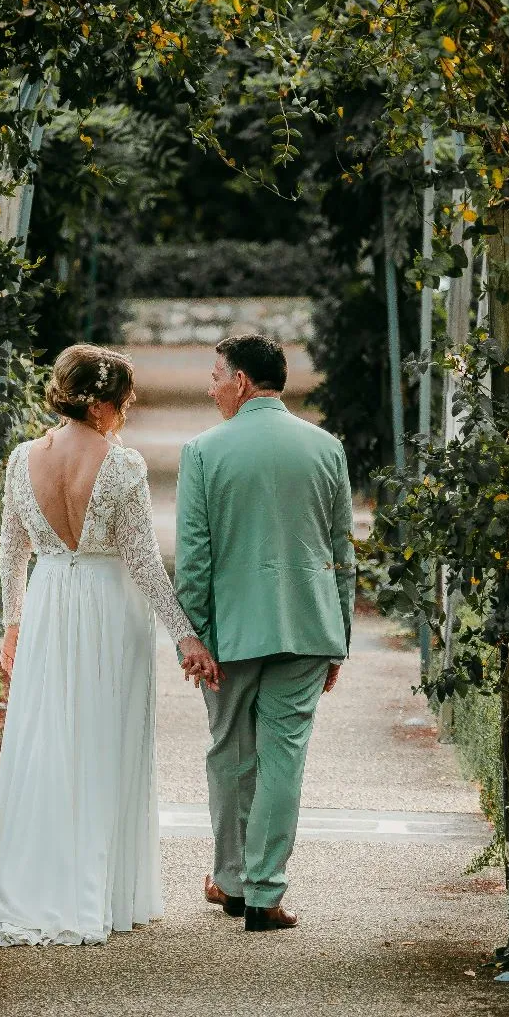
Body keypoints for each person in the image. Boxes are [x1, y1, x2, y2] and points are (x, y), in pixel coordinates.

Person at [0, 344, 219, 947]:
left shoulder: (23, 458)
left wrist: (12, 624)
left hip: (50, 598)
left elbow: (11, 552)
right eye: (124, 403)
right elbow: (142, 560)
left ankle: (37, 884)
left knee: (46, 739)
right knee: (107, 737)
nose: (123, 414)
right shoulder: (121, 464)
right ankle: (102, 893)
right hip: (110, 607)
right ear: (106, 402)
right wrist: (185, 633)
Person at [175, 334, 355, 932]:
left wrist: (190, 636)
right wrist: (340, 638)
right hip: (308, 627)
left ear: (243, 383)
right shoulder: (327, 448)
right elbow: (340, 552)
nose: (211, 388)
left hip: (228, 634)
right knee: (284, 760)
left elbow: (195, 558)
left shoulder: (203, 451)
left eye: (216, 376)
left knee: (229, 752)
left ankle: (229, 882)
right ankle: (265, 893)